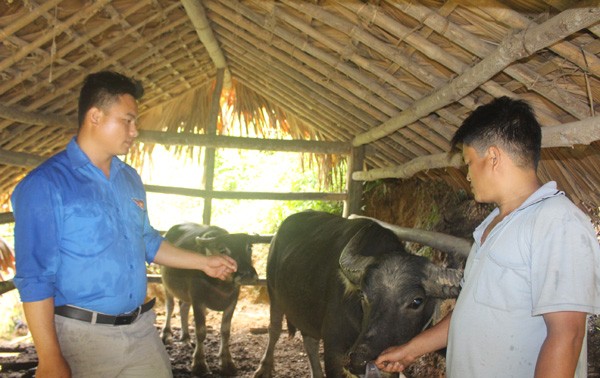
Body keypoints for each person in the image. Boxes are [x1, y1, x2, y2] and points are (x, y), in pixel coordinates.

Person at [11, 71, 238, 378]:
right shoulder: (45, 185)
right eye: (127, 120)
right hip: (81, 337)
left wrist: (204, 262)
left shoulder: (129, 179)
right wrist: (50, 359)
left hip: (140, 331)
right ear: (95, 116)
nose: (135, 131)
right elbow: (35, 277)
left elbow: (147, 241)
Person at [375, 96, 600, 377]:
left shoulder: (556, 222)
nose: (467, 174)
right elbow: (472, 310)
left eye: (469, 162)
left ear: (493, 157)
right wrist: (410, 350)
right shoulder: (493, 225)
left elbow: (567, 335)